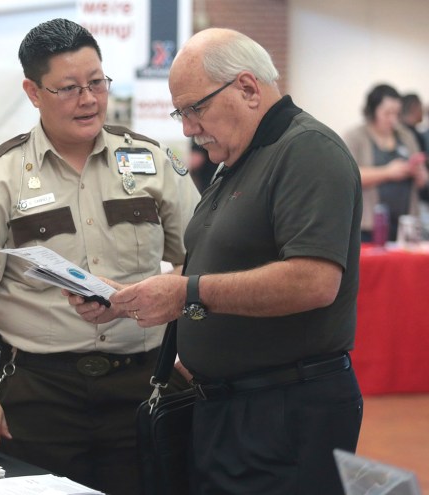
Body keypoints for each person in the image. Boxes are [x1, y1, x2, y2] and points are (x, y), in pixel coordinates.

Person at [68, 28, 364, 495]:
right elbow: (216, 265)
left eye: (195, 108)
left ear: (247, 88)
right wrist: (129, 300)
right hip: (231, 411)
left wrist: (187, 293)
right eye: (180, 112)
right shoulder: (240, 159)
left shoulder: (308, 152)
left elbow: (313, 280)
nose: (187, 127)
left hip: (284, 414)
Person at [0, 18, 199, 494]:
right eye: (69, 88)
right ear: (34, 92)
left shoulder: (151, 162)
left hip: (142, 387)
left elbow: (202, 264)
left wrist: (189, 340)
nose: (89, 99)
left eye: (97, 82)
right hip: (36, 396)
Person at [344, 84, 426, 242]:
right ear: (372, 111)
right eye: (387, 113)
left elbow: (422, 180)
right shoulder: (355, 137)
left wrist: (419, 173)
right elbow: (349, 176)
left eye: (396, 113)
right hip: (368, 226)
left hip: (406, 226)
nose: (393, 119)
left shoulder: (406, 135)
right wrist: (388, 172)